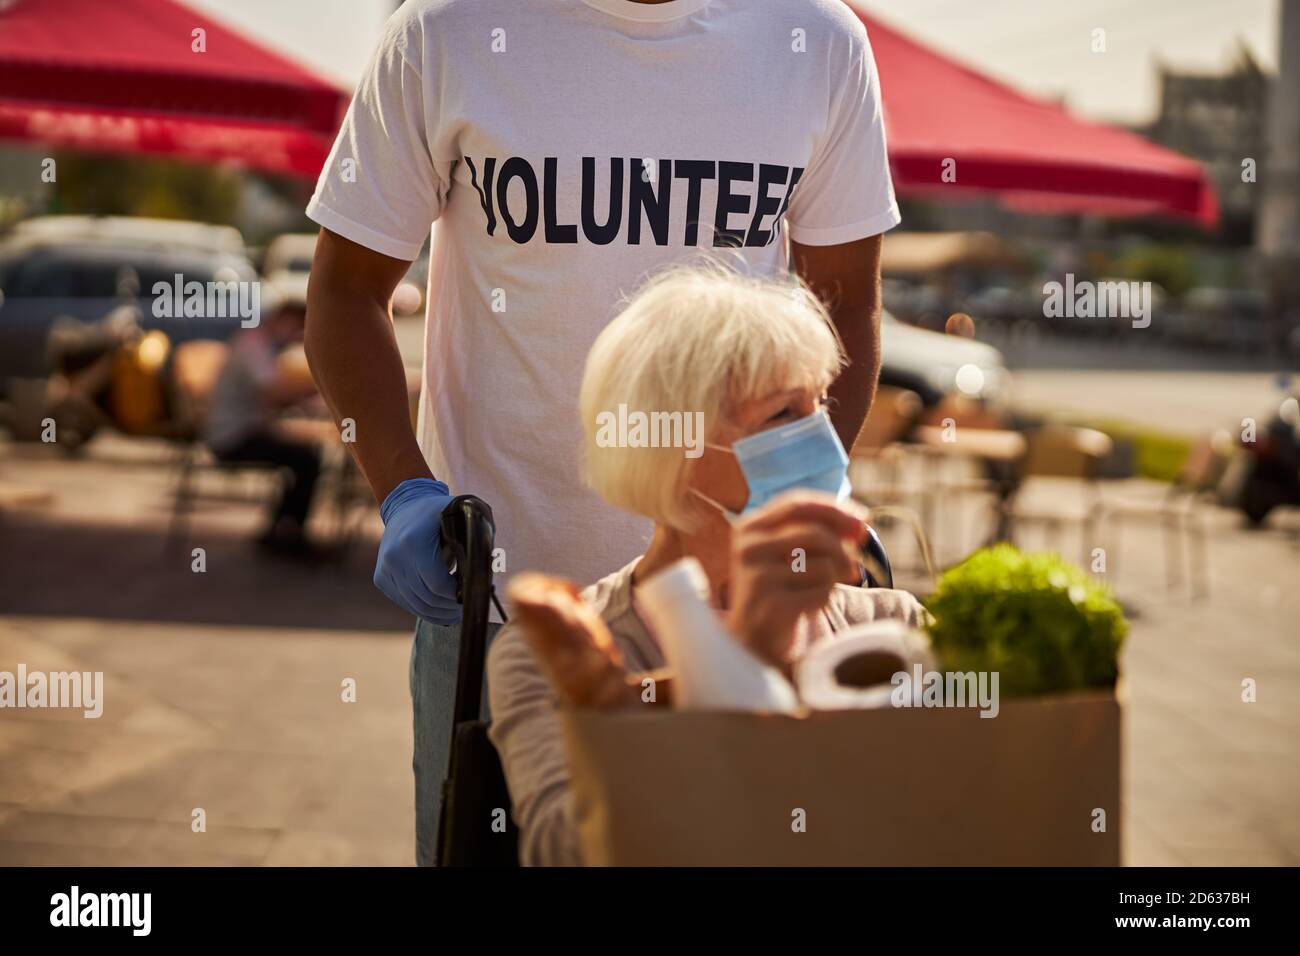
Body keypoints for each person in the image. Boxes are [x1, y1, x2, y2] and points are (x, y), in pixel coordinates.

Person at [303, 0, 900, 864]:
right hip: (506, 608)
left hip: (750, 597)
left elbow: (845, 299)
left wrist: (807, 484)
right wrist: (404, 489)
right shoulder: (448, 29)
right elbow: (346, 290)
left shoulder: (816, 39)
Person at [487, 266, 930, 865]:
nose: (824, 435)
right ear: (675, 449)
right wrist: (741, 661)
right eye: (783, 415)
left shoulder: (890, 623)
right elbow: (565, 851)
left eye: (820, 402)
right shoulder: (553, 651)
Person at [205, 297, 322, 554]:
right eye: (297, 329)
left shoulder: (262, 345)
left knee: (303, 455)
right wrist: (321, 383)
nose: (297, 337)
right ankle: (289, 535)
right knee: (305, 459)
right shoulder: (254, 345)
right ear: (283, 320)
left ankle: (279, 531)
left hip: (245, 431)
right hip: (232, 438)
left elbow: (273, 397)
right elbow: (273, 394)